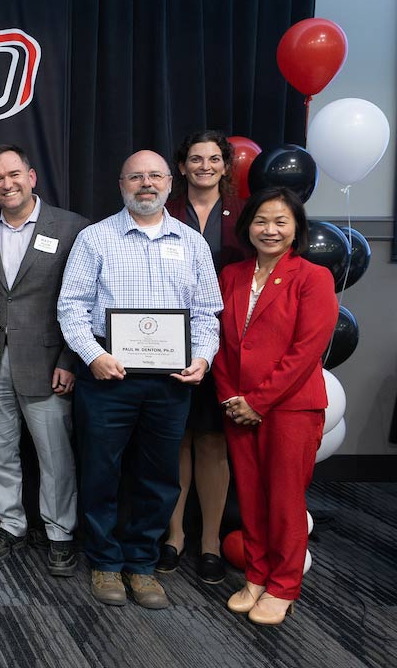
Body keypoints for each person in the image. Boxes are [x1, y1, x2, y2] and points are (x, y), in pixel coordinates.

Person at [57, 150, 221, 610]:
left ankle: (143, 564)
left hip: (170, 381)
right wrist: (93, 355)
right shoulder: (95, 239)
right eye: (135, 176)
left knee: (159, 477)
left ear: (171, 182)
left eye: (154, 176)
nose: (145, 184)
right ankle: (106, 560)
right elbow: (70, 308)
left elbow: (208, 315)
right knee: (101, 472)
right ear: (121, 183)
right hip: (109, 376)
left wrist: (204, 359)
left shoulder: (192, 243)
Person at [213, 187, 337, 626]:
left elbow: (308, 349)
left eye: (281, 222)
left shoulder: (312, 277)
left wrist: (259, 401)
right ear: (248, 225)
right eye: (261, 221)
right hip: (238, 406)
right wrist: (231, 396)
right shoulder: (232, 275)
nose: (270, 230)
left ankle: (284, 586)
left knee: (284, 500)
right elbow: (222, 342)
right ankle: (257, 575)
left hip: (289, 408)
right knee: (249, 495)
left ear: (296, 229)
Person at [0, 145, 88, 577]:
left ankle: (59, 534)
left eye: (14, 174)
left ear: (32, 176)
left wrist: (70, 360)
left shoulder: (73, 229)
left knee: (55, 456)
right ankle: (11, 525)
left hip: (47, 363)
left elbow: (84, 302)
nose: (7, 183)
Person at [159, 131, 248, 583]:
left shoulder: (244, 216)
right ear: (181, 165)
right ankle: (174, 535)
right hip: (171, 343)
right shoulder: (165, 211)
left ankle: (210, 540)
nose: (205, 166)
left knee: (213, 441)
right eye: (196, 159)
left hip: (227, 344)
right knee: (175, 438)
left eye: (214, 159)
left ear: (226, 166)